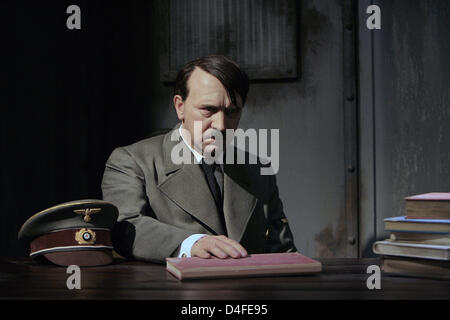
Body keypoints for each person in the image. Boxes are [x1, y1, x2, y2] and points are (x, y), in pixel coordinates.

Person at [101, 55, 296, 263]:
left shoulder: (258, 169)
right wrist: (191, 244)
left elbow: (282, 252)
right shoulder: (131, 161)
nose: (221, 125)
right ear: (180, 106)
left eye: (232, 111)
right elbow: (124, 227)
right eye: (208, 110)